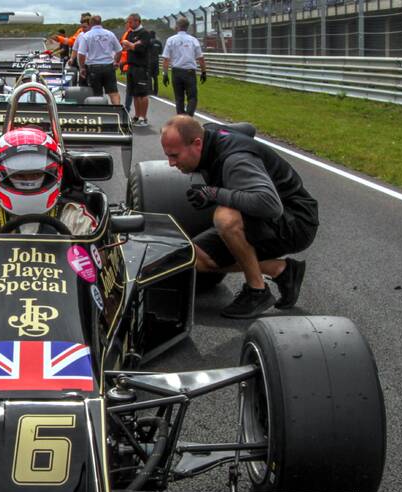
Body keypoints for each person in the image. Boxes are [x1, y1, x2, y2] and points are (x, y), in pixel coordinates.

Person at [160, 115, 317, 317]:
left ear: (197, 143)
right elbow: (248, 128)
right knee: (194, 257)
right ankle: (282, 270)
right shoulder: (211, 131)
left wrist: (214, 193)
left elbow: (270, 205)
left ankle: (257, 291)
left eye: (174, 155)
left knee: (225, 216)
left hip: (296, 220)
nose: (171, 163)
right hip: (267, 216)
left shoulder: (235, 161)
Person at [0, 127, 98, 236]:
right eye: (20, 176)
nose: (28, 181)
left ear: (52, 174)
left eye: (35, 174)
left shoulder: (73, 214)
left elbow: (95, 262)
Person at [161, 17, 206, 116]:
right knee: (192, 97)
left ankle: (181, 119)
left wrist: (165, 74)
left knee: (179, 98)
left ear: (177, 26)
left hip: (176, 72)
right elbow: (201, 58)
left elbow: (166, 59)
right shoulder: (193, 40)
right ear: (187, 27)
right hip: (189, 72)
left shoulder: (171, 40)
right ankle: (188, 117)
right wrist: (203, 72)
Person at [74, 15, 121, 105]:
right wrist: (116, 62)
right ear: (100, 22)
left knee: (96, 94)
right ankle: (117, 111)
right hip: (108, 66)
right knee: (113, 92)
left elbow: (81, 54)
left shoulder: (87, 36)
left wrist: (82, 67)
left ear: (90, 24)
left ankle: (99, 115)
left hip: (93, 67)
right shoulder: (110, 34)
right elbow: (119, 50)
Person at [121, 13, 152, 127]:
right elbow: (126, 47)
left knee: (142, 94)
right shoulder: (130, 33)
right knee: (134, 93)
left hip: (141, 67)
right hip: (131, 66)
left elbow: (140, 48)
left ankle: (143, 117)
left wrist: (131, 45)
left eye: (130, 22)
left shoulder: (145, 34)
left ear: (137, 21)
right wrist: (131, 45)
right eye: (128, 22)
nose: (129, 24)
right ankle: (137, 115)